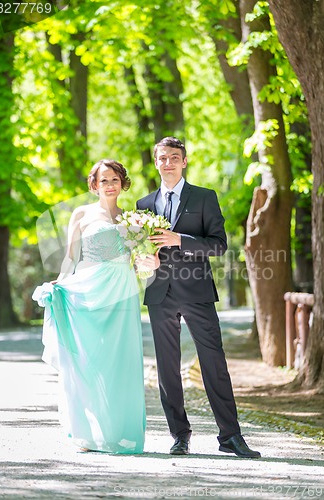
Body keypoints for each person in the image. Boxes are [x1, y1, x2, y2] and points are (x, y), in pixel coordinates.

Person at [137, 137, 261, 458]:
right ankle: (179, 435)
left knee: (214, 363)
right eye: (162, 158)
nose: (168, 163)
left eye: (174, 157)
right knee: (167, 369)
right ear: (156, 162)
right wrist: (144, 260)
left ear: (184, 161)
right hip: (159, 293)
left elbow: (219, 245)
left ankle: (230, 436)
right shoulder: (143, 205)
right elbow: (140, 251)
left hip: (197, 291)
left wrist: (180, 239)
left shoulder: (205, 198)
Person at [33, 159, 158, 454]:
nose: (110, 185)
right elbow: (70, 257)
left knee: (120, 362)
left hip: (122, 291)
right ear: (94, 184)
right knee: (89, 358)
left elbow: (143, 264)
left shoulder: (134, 219)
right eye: (104, 180)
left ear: (122, 183)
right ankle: (86, 432)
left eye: (115, 179)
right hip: (89, 290)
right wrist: (59, 282)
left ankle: (117, 433)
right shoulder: (81, 214)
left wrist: (150, 264)